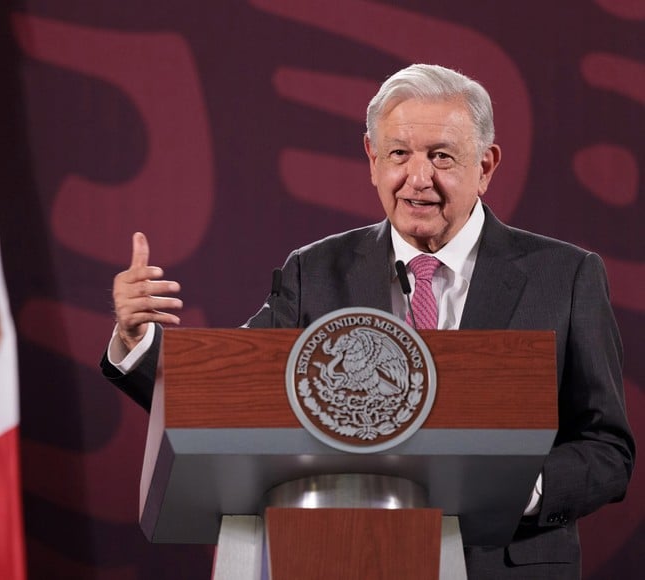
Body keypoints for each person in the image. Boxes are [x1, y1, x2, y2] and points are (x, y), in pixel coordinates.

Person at [100, 63, 635, 578]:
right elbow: (225, 399)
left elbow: (607, 448)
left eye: (442, 156)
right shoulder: (315, 272)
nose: (417, 178)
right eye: (399, 153)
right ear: (372, 159)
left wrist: (520, 486)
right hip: (345, 557)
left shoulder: (565, 276)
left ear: (486, 166)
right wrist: (138, 340)